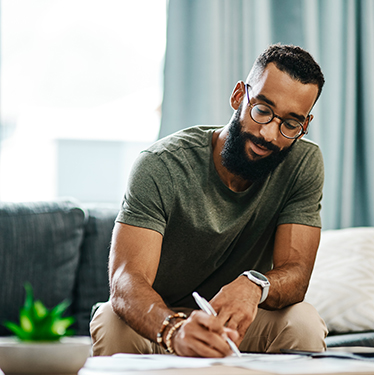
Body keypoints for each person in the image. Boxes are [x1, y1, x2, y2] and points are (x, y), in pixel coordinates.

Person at [90, 44, 328, 357]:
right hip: (160, 319)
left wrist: (254, 284)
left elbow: (296, 274)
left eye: (290, 124)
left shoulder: (302, 163)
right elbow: (125, 281)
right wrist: (173, 330)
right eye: (262, 110)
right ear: (239, 96)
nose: (270, 134)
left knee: (303, 321)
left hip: (235, 323)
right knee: (111, 320)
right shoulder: (161, 165)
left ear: (305, 125)